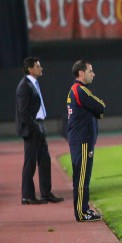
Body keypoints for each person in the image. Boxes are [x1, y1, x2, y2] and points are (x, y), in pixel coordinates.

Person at [16, 57, 64, 205]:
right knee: (30, 163)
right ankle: (27, 196)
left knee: (44, 160)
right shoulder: (25, 86)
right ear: (30, 69)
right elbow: (23, 112)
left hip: (39, 126)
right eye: (38, 66)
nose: (41, 68)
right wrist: (34, 127)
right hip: (32, 129)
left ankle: (46, 193)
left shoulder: (33, 84)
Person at [66, 60, 106, 222]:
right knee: (82, 178)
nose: (93, 74)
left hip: (80, 139)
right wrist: (97, 110)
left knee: (82, 177)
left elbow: (96, 109)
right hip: (82, 140)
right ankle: (82, 213)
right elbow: (100, 106)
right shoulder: (80, 90)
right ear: (81, 73)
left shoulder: (75, 90)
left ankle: (84, 210)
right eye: (90, 71)